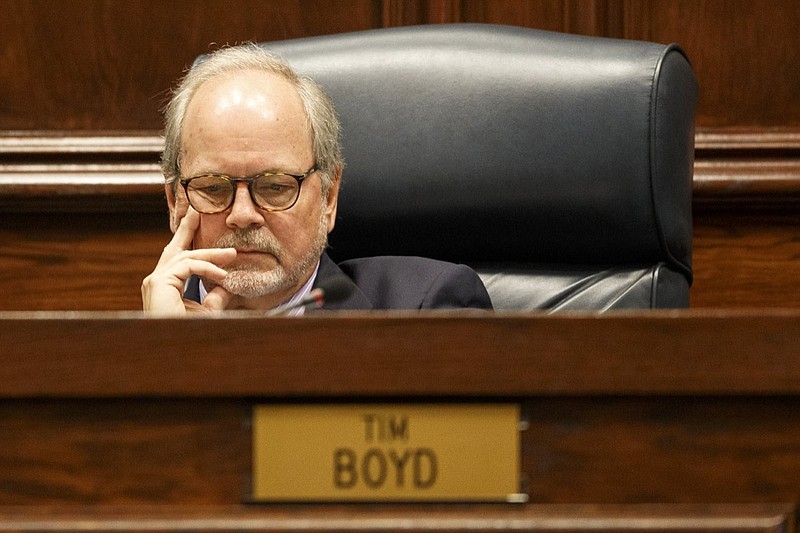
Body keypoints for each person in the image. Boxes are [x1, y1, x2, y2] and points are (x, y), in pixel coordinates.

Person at [142, 44, 492, 315]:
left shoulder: (426, 309)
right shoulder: (143, 340)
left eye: (276, 186)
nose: (243, 214)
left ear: (328, 198)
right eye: (214, 188)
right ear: (176, 201)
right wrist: (170, 352)